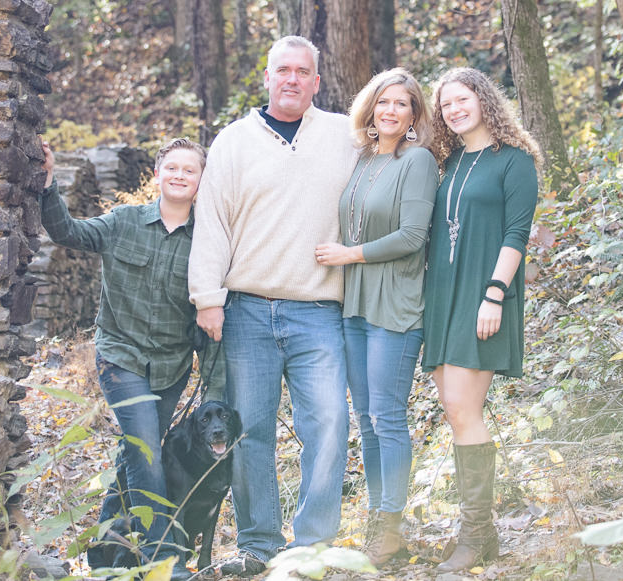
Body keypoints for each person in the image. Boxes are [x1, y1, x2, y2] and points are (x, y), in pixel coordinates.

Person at [190, 35, 359, 577]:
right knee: (251, 432)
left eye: (302, 71)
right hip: (247, 311)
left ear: (316, 80)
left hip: (319, 310)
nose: (292, 79)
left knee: (330, 422)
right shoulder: (234, 141)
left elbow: (397, 169)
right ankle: (259, 546)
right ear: (267, 77)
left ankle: (311, 547)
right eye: (282, 70)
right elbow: (212, 223)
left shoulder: (345, 136)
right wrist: (208, 298)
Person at [40, 136, 208, 581]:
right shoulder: (123, 222)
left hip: (172, 367)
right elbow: (67, 233)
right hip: (121, 359)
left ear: (200, 181)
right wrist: (48, 184)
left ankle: (105, 552)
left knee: (133, 455)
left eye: (189, 170)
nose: (179, 175)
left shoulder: (209, 239)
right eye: (172, 167)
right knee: (146, 452)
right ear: (157, 174)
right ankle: (162, 558)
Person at [313, 69, 438, 565]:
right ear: (371, 108)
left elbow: (412, 236)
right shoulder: (363, 160)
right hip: (355, 307)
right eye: (383, 102)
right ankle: (375, 520)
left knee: (387, 417)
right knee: (364, 419)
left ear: (413, 116)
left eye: (401, 104)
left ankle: (391, 525)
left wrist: (349, 255)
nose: (390, 111)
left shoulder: (419, 161)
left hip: (397, 305)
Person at [421, 68, 542, 572]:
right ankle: (476, 533)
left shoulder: (515, 162)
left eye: (462, 99)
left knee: (463, 408)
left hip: (484, 296)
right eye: (445, 104)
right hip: (442, 298)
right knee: (455, 411)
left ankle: (477, 535)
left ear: (483, 100)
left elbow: (517, 234)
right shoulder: (445, 165)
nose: (453, 109)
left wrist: (494, 294)